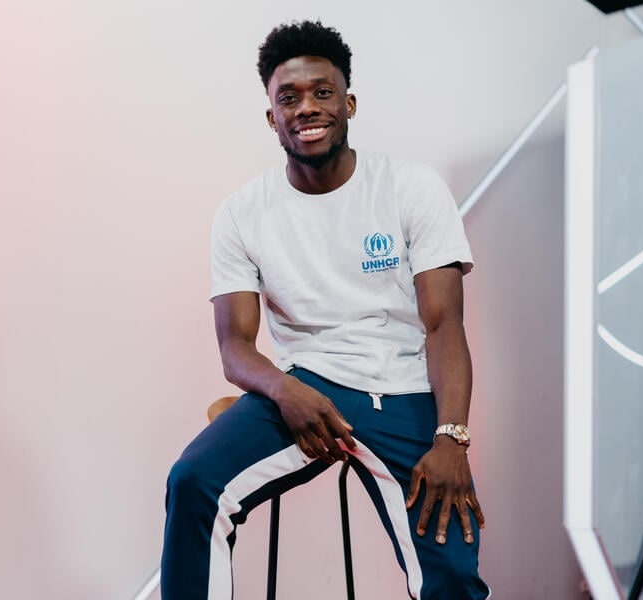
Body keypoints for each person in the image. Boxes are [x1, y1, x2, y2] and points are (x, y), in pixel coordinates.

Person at [161, 20, 489, 600]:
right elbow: (235, 346)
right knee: (194, 482)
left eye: (322, 92)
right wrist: (286, 392)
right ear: (271, 117)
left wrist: (451, 439)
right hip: (309, 388)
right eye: (288, 98)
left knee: (453, 575)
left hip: (406, 390)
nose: (306, 108)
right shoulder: (242, 213)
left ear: (349, 103)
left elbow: (444, 326)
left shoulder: (410, 187)